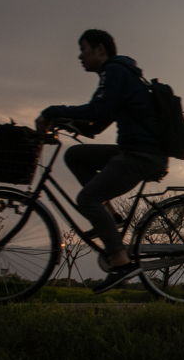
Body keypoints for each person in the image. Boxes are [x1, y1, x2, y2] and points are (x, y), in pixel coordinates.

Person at [36, 29, 168, 293]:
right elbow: (99, 122)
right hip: (136, 149)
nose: (79, 56)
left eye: (83, 48)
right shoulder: (119, 73)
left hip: (141, 154)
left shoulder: (114, 71)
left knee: (87, 199)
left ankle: (121, 263)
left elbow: (97, 111)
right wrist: (70, 123)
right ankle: (110, 216)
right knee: (75, 155)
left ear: (99, 49)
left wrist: (52, 112)